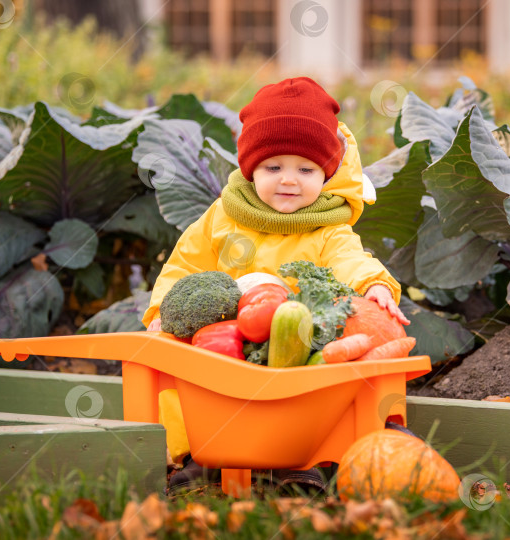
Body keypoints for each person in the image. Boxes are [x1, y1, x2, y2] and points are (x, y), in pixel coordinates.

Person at [141, 76, 409, 493]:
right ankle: (208, 458)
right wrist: (162, 312)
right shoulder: (222, 216)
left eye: (306, 169)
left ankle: (297, 463)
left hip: (298, 348)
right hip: (223, 344)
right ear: (251, 170)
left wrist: (375, 285)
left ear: (327, 174)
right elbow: (184, 266)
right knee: (194, 388)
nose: (289, 180)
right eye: (273, 167)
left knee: (315, 391)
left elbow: (350, 260)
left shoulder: (327, 228)